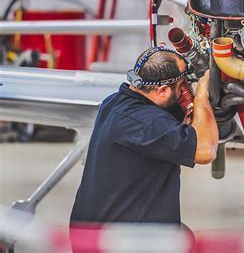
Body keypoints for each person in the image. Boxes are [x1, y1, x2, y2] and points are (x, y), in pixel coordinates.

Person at [69, 47, 218, 231]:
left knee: (182, 235)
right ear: (162, 90)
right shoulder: (149, 124)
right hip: (121, 243)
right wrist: (202, 96)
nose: (183, 92)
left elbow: (163, 120)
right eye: (182, 87)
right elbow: (205, 151)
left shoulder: (113, 102)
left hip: (91, 235)